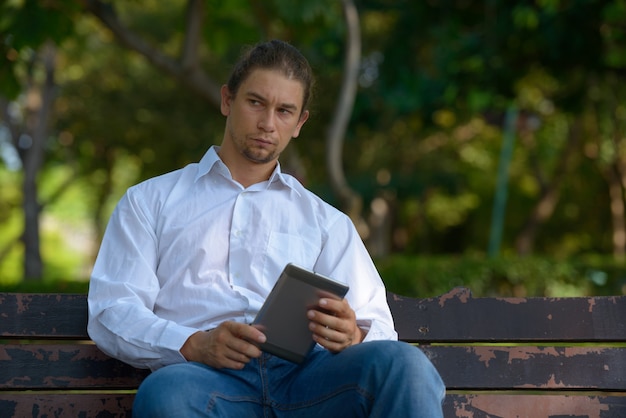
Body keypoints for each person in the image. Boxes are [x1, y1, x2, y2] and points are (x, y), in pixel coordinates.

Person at [87, 39, 445, 417]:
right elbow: (114, 309)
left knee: (405, 365)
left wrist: (353, 335)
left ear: (299, 123)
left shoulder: (325, 221)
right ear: (228, 101)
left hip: (309, 381)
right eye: (255, 102)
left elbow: (380, 327)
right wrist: (194, 343)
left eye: (284, 111)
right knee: (164, 395)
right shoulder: (149, 202)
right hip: (206, 380)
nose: (267, 124)